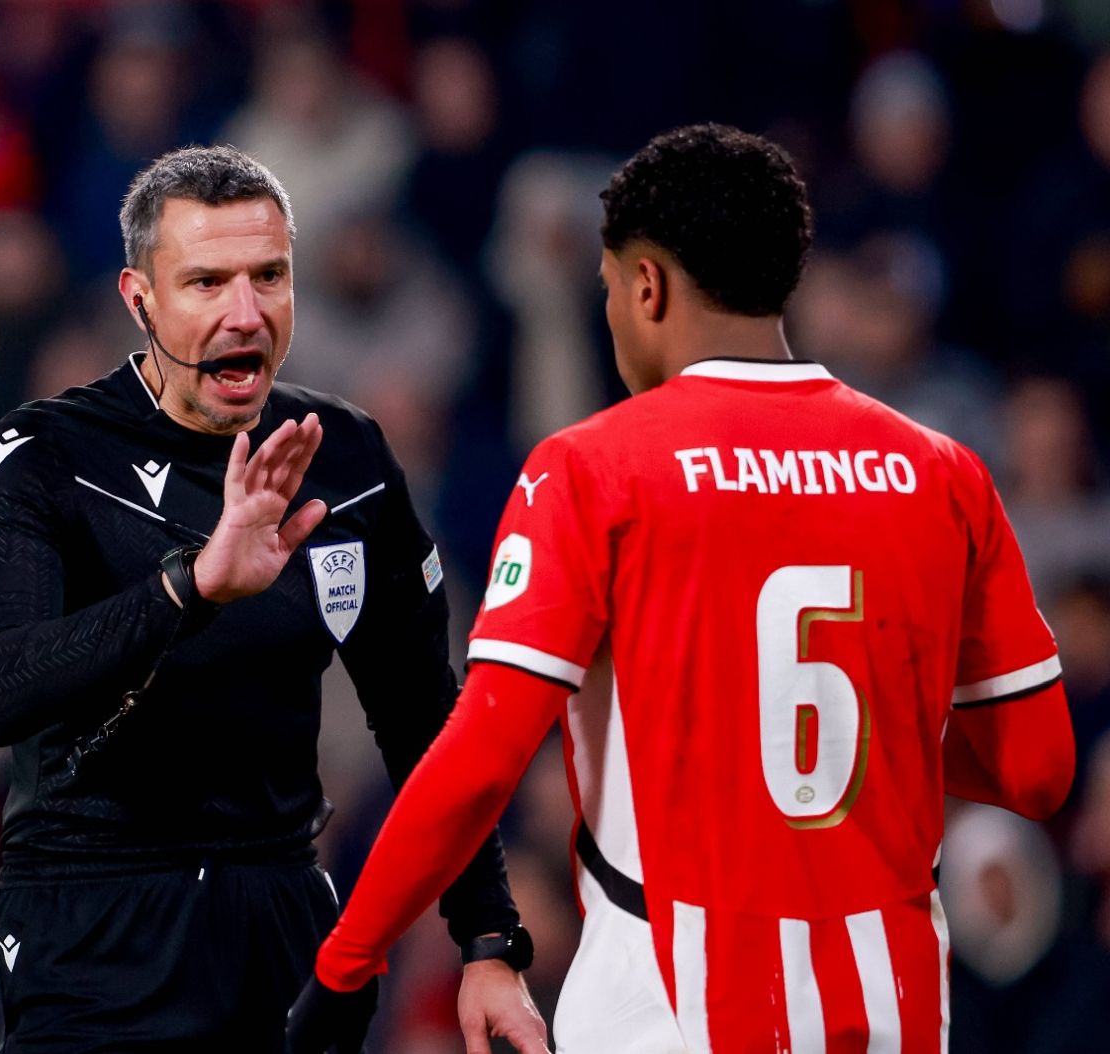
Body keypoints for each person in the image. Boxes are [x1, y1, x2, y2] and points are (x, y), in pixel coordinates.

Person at [286, 123, 1076, 1053]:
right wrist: (859, 742)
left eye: (609, 290)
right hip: (889, 1001)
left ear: (646, 286)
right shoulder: (942, 473)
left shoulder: (593, 470)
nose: (612, 315)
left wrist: (344, 966)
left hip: (667, 1005)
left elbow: (480, 758)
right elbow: (1037, 769)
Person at [0, 144, 545, 1054]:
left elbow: (424, 719)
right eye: (207, 282)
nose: (246, 313)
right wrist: (190, 586)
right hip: (90, 924)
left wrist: (489, 940)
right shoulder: (45, 455)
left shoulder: (343, 457)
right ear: (138, 299)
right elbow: (0, 688)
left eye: (270, 275)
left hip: (282, 923)